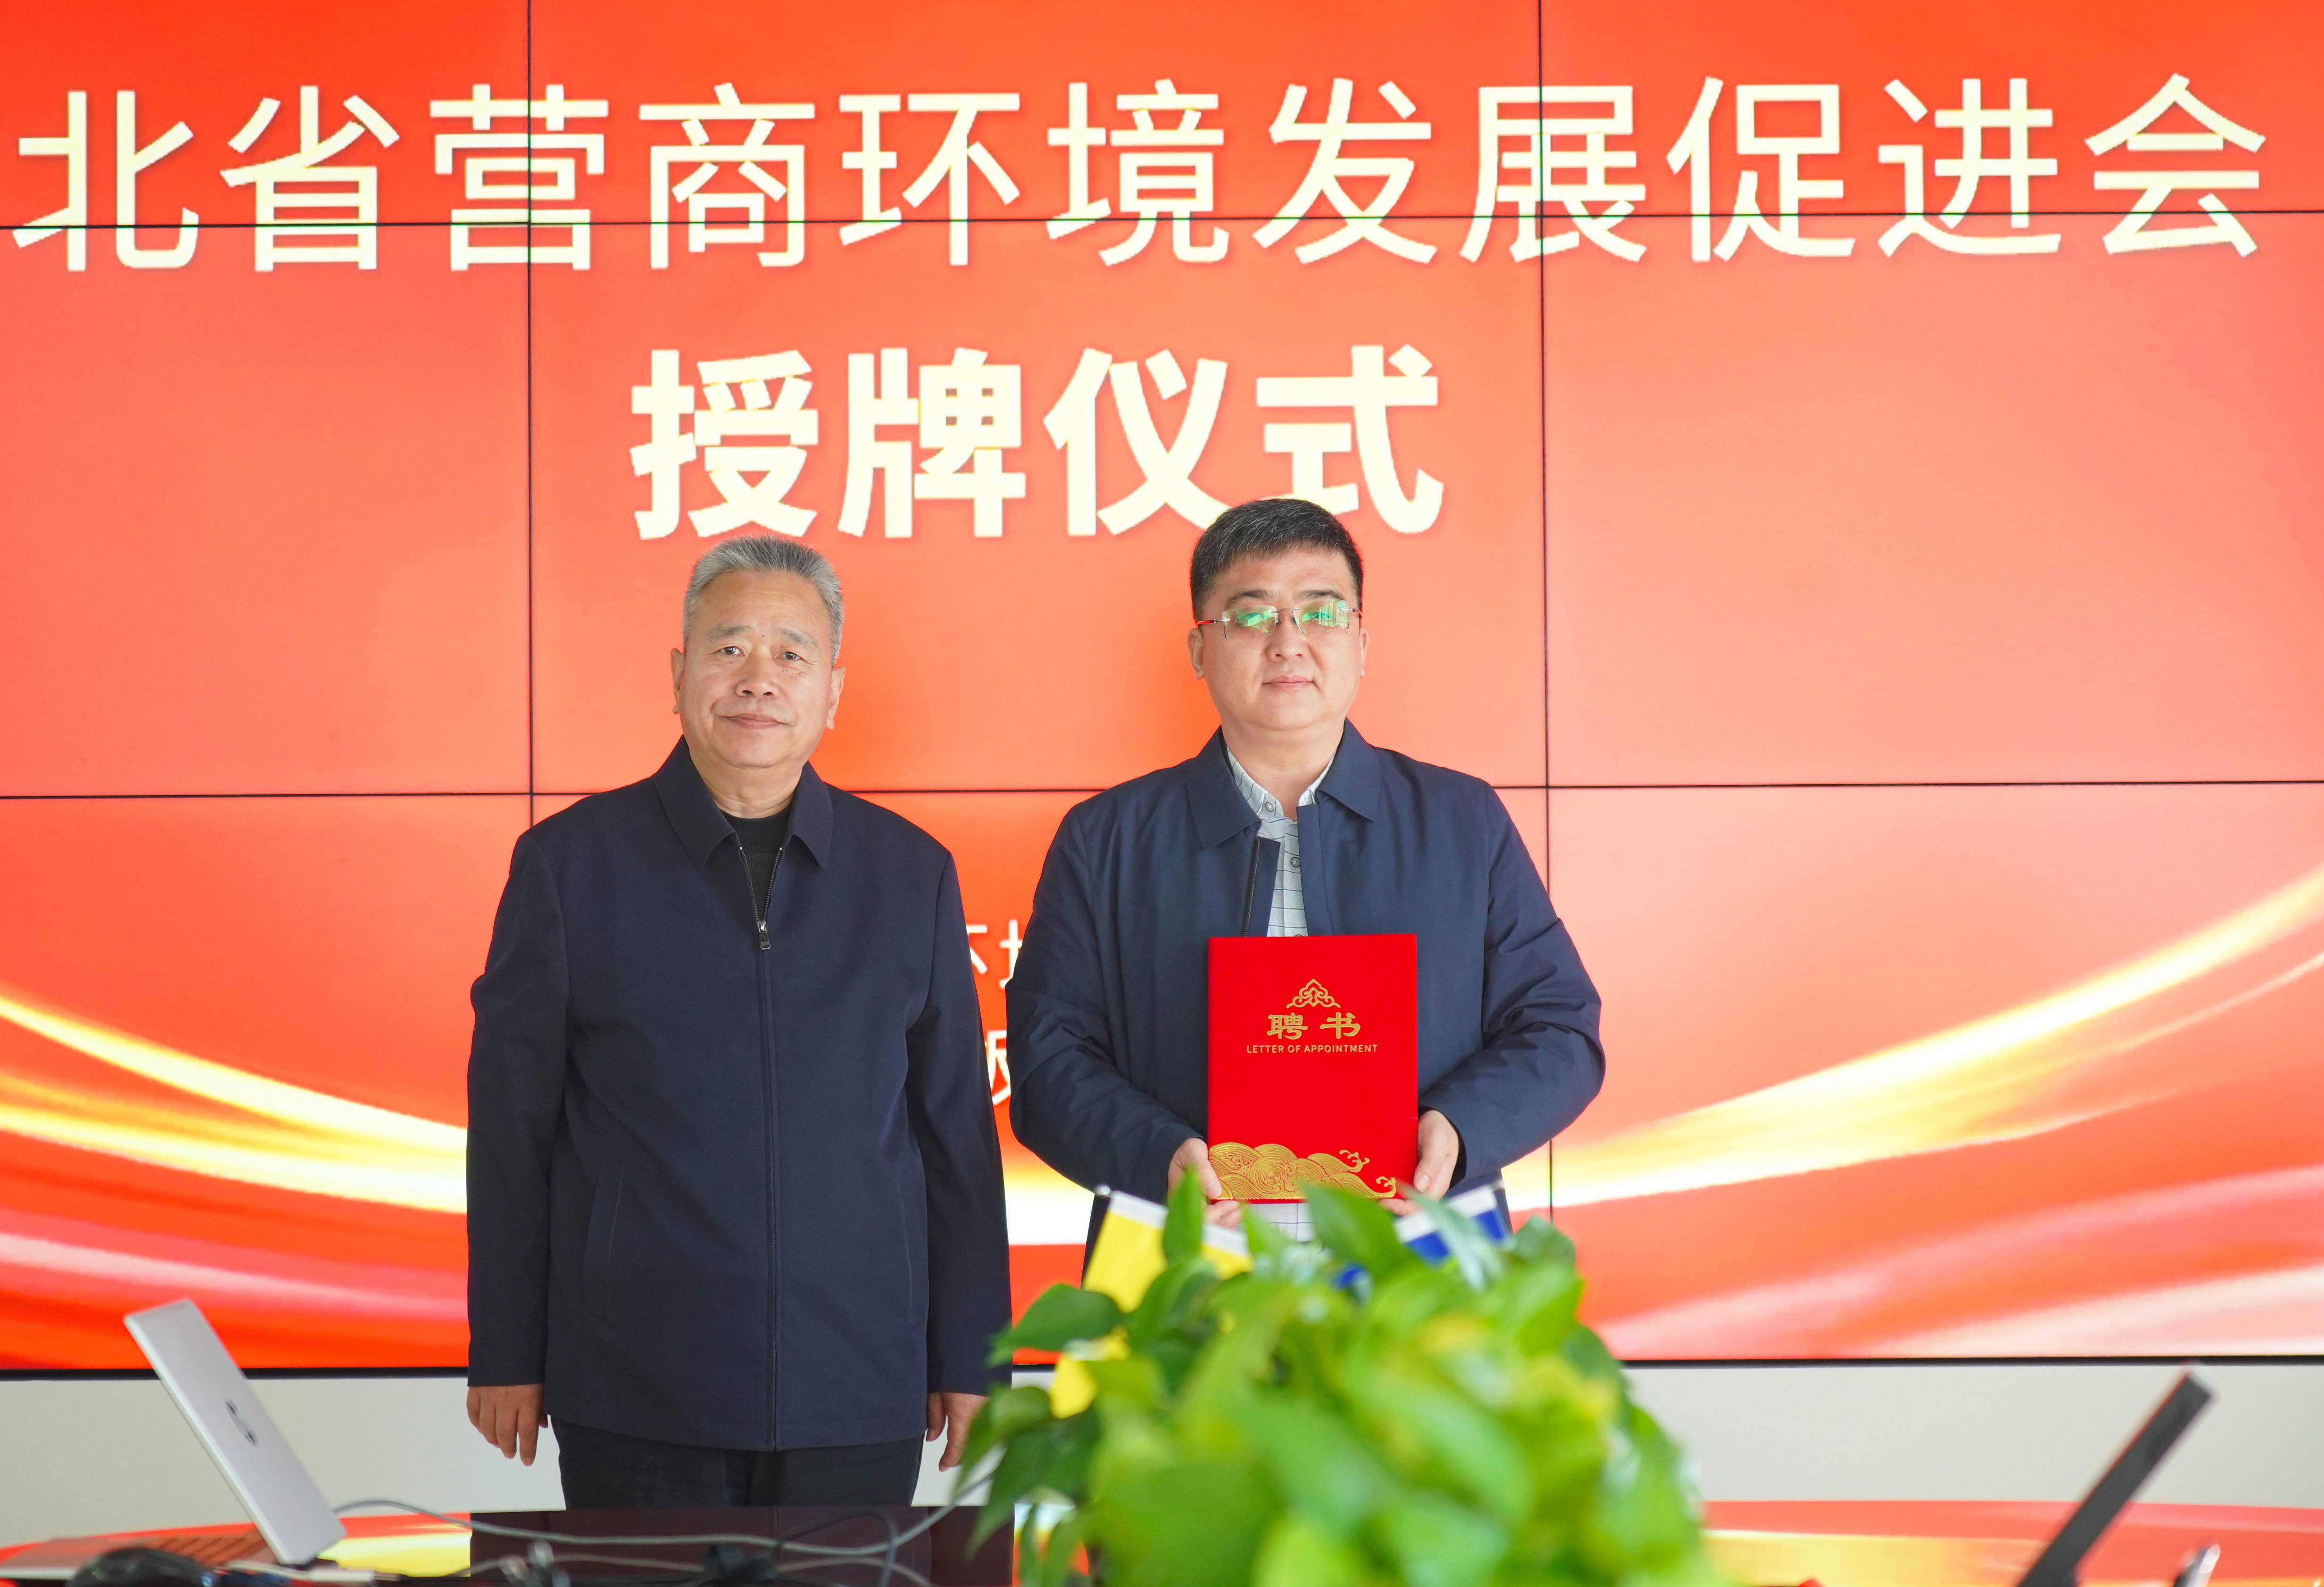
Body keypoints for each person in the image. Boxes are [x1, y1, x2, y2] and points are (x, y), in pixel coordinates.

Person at [463, 534, 1008, 1507]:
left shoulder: (910, 873)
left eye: (792, 654)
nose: (759, 678)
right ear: (678, 674)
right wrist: (506, 1346)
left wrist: (972, 1352)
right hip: (635, 1382)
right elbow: (512, 1126)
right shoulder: (569, 866)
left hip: (859, 1381)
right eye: (729, 649)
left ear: (833, 691)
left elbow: (954, 1135)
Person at [1007, 497, 1601, 1239]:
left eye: (1321, 613)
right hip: (1188, 1259)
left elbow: (1558, 1028)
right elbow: (1048, 1060)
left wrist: (1457, 1129)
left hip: (1417, 1259)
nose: (1288, 642)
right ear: (1200, 650)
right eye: (1252, 616)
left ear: (1362, 642)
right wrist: (1157, 1155)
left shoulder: (1460, 822)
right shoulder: (1108, 840)